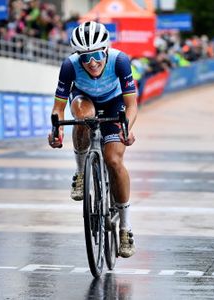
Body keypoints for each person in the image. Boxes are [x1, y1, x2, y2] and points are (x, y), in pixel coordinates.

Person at [48, 21, 137, 258]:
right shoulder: (69, 66)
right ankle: (80, 172)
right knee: (83, 119)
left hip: (114, 102)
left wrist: (126, 128)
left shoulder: (120, 61)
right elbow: (58, 108)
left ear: (105, 50)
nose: (92, 62)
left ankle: (125, 228)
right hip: (83, 98)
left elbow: (131, 104)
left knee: (114, 161)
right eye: (85, 57)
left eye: (97, 55)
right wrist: (56, 130)